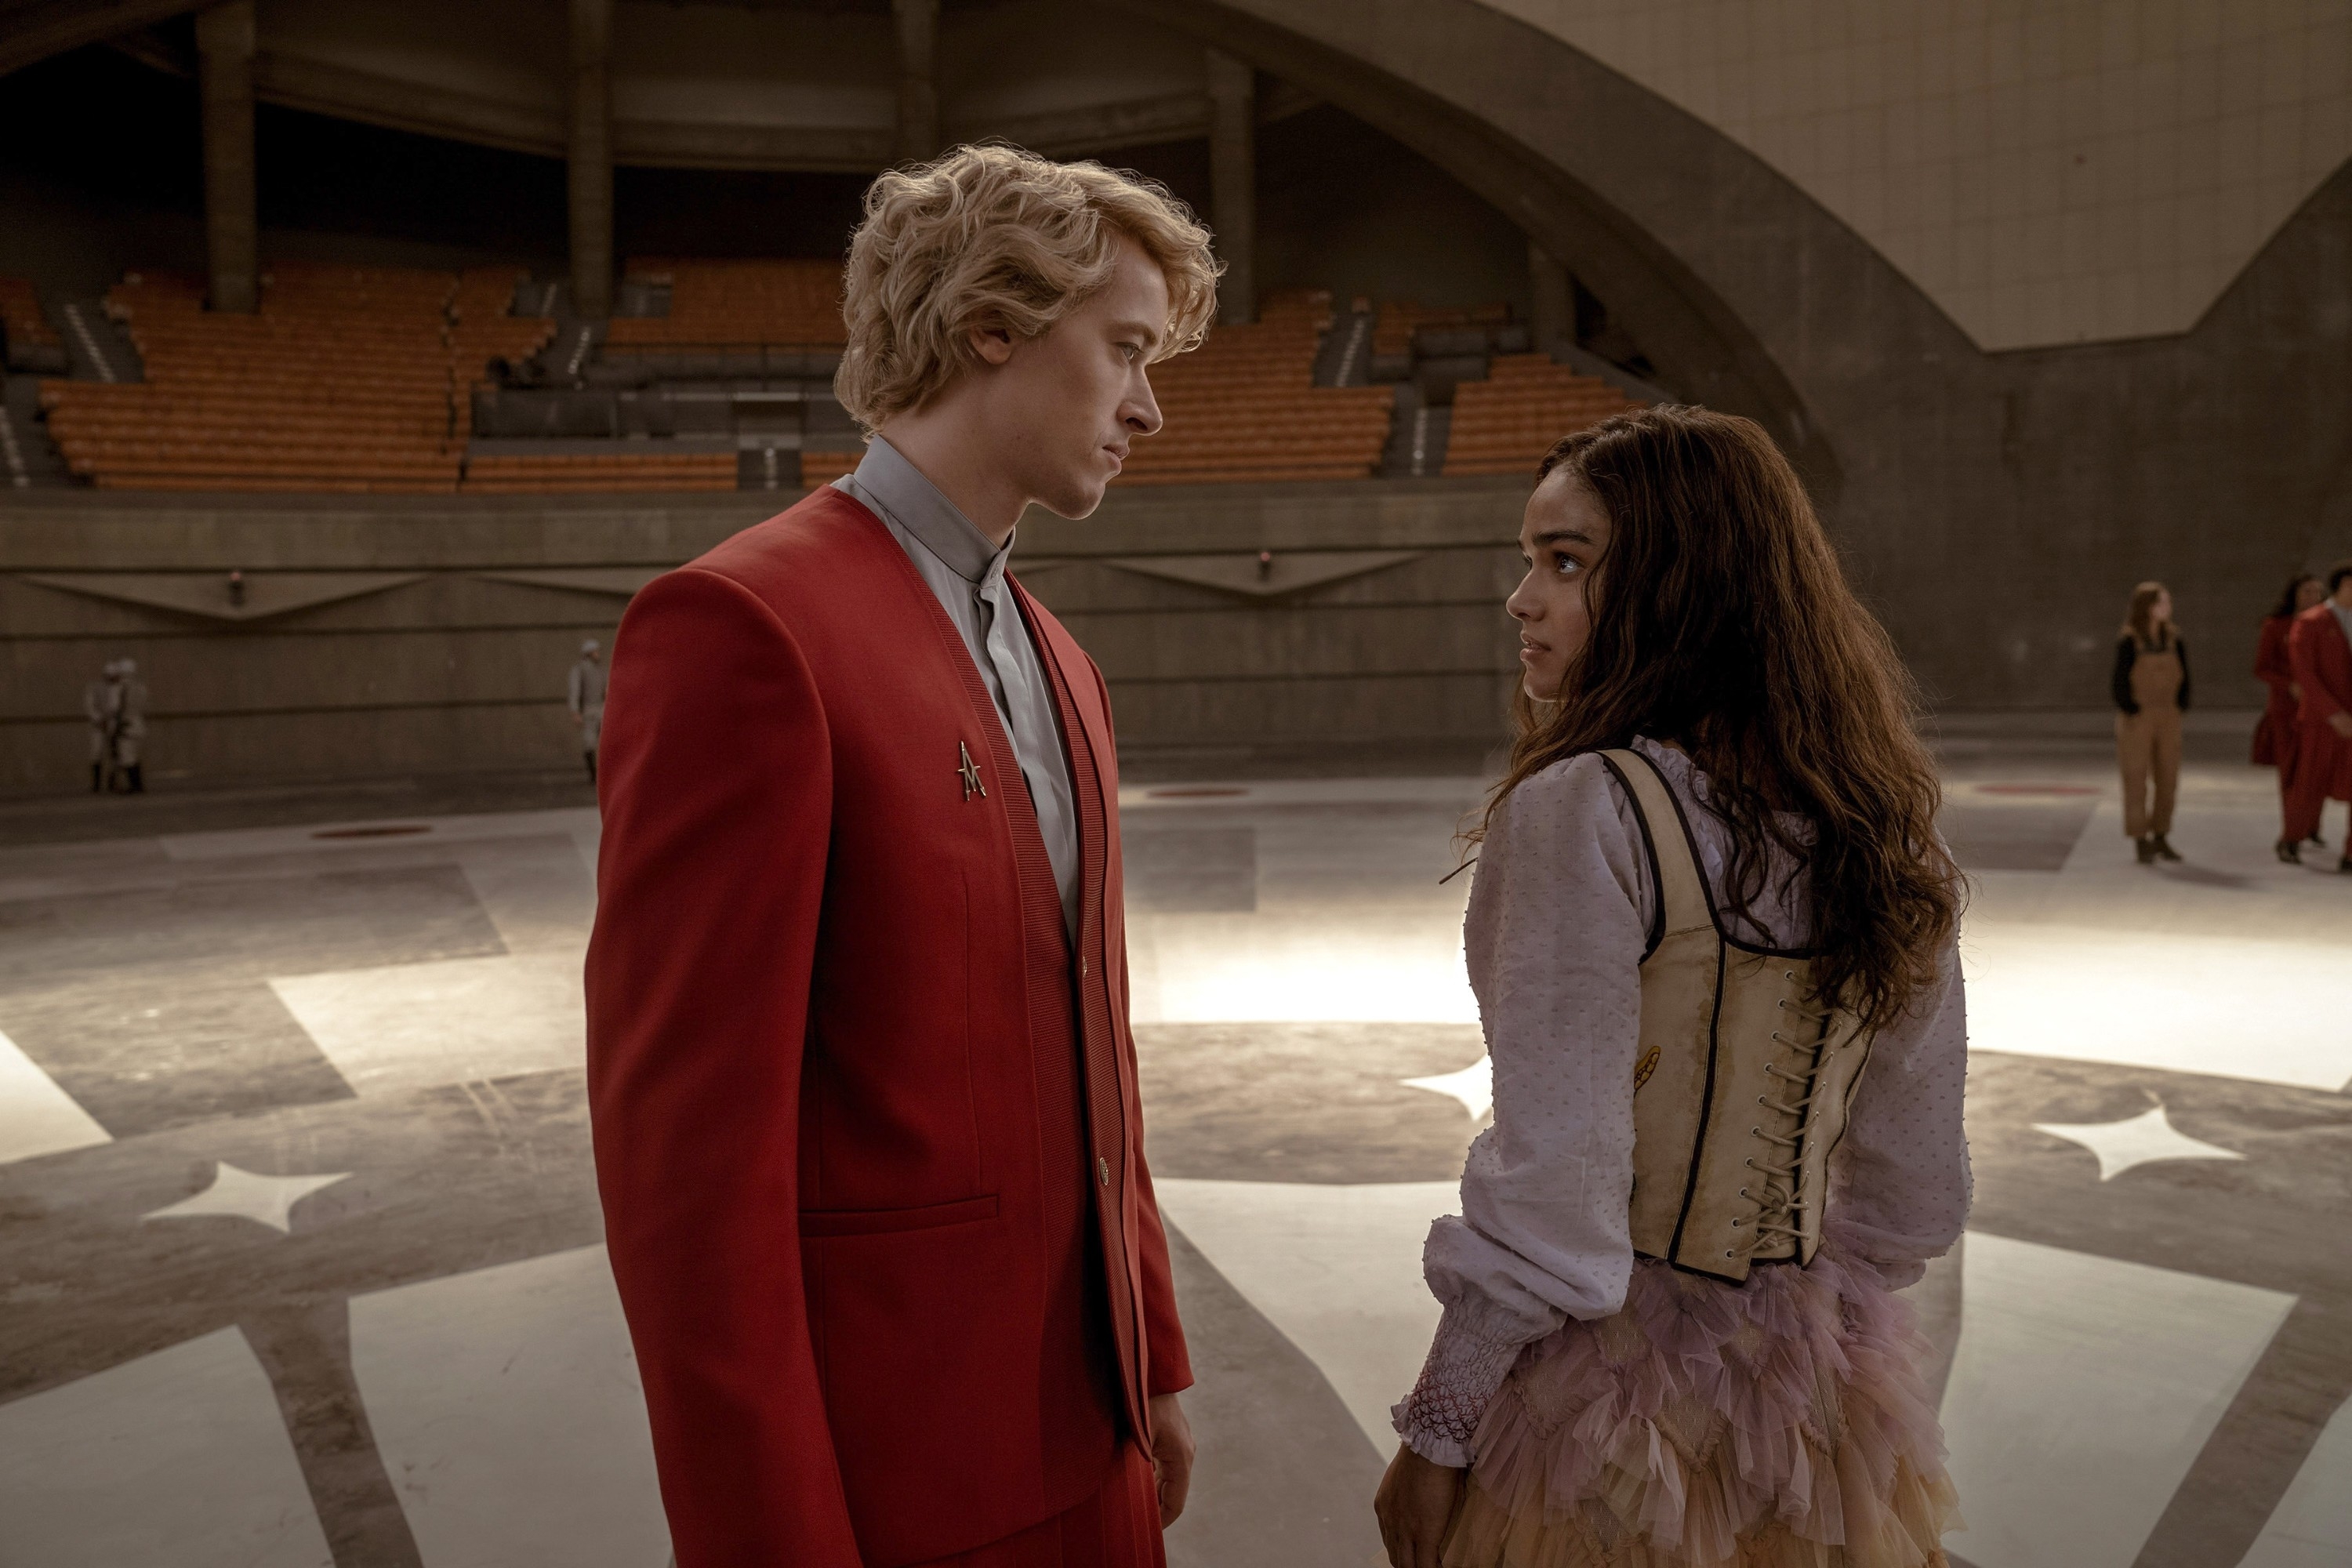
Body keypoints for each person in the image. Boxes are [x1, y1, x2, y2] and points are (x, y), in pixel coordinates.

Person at [585, 145, 1219, 1568]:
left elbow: (1094, 1051)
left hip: (1094, 1428)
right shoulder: (744, 630)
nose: (1149, 405)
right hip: (898, 1477)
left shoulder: (1064, 658)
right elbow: (688, 1177)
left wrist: (1152, 1356)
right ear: (993, 322)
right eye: (1124, 349)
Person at [1375, 407, 1969, 1568]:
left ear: (1680, 586)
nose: (1523, 601)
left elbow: (1555, 1180)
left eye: (1565, 562)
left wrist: (1442, 1431)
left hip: (1606, 1408)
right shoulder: (1875, 826)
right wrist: (1794, 1327)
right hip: (1821, 1403)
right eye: (1529, 561)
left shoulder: (1585, 810)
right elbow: (1913, 1193)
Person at [2111, 582, 2189, 864]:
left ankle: (2161, 834)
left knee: (2168, 777)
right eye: (2162, 602)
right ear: (2147, 607)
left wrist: (2180, 705)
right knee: (2136, 778)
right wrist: (2130, 707)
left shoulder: (2173, 639)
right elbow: (2119, 681)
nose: (2168, 608)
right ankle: (2139, 838)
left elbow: (2185, 676)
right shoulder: (2130, 640)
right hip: (2138, 717)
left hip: (2168, 716)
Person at [2282, 560, 2352, 872]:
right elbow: (2305, 674)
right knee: (2310, 782)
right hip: (2322, 720)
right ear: (2344, 586)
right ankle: (2292, 837)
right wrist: (2332, 713)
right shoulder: (2311, 622)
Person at [2256, 573, 2326, 858]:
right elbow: (2261, 667)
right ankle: (2291, 831)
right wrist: (2290, 685)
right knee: (2291, 771)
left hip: (2319, 709)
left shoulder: (2327, 627)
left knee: (2318, 767)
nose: (2312, 597)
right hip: (2286, 709)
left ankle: (2310, 825)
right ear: (2294, 594)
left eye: (2317, 592)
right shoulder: (2276, 626)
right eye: (2306, 591)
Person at [566, 638, 606, 782]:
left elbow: (606, 690)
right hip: (589, 711)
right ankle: (593, 774)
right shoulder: (580, 670)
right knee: (589, 743)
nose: (598, 654)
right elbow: (575, 691)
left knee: (604, 743)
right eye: (595, 651)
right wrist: (575, 711)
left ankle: (601, 773)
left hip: (602, 709)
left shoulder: (600, 670)